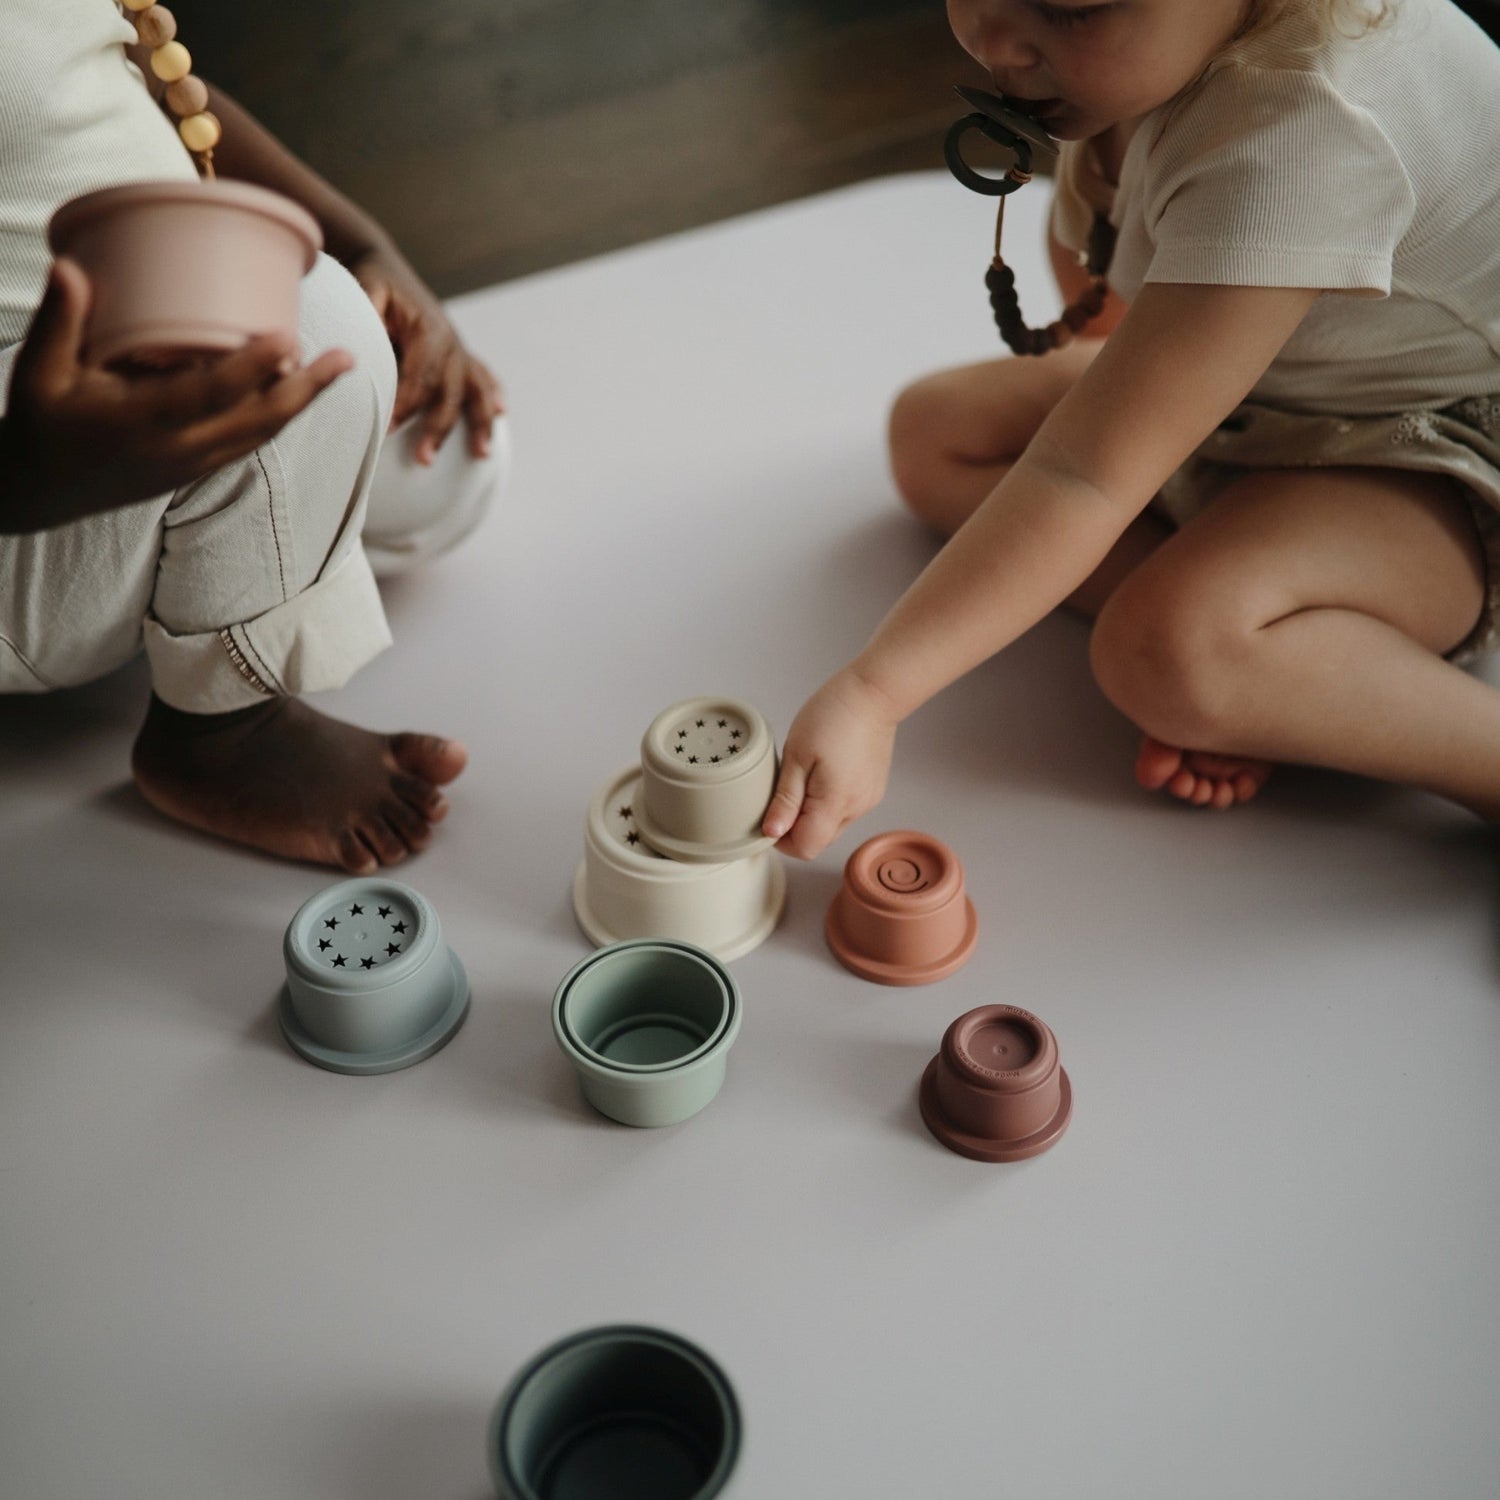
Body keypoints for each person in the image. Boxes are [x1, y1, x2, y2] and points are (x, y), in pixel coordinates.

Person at [763, 0, 1500, 859]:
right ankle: (1272, 663)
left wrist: (875, 689)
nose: (995, 41)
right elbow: (1119, 313)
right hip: (1266, 394)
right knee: (936, 436)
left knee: (1162, 648)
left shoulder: (1307, 130)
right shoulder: (1151, 51)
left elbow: (1084, 476)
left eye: (1072, 9)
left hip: (1430, 452)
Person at [0, 0, 505, 873]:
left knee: (448, 466)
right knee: (312, 333)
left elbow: (144, 81)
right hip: (31, 486)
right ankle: (222, 729)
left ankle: (204, 571)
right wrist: (35, 475)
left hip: (125, 366)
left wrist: (366, 244)